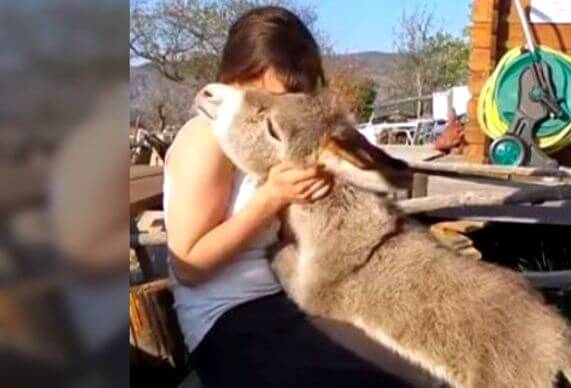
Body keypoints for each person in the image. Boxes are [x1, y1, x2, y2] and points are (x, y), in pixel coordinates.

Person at [163, 6, 442, 388]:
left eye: (298, 97)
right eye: (270, 95)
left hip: (286, 300)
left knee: (423, 366)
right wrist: (272, 197)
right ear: (236, 79)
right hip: (227, 323)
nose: (284, 109)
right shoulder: (206, 137)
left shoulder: (275, 136)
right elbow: (189, 267)